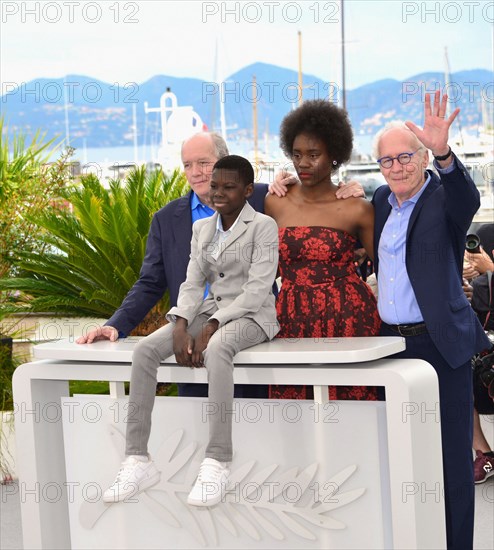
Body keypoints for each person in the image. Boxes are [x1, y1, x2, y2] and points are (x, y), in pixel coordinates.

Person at [76, 131, 363, 398]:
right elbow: (149, 283)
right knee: (197, 432)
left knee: (262, 435)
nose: (197, 172)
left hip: (253, 348)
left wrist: (349, 191)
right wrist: (115, 325)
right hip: (190, 349)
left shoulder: (264, 199)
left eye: (204, 162)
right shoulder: (166, 220)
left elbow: (317, 209)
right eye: (188, 164)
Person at [102, 155, 279, 506]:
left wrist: (212, 326)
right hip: (208, 308)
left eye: (229, 187)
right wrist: (181, 323)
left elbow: (258, 290)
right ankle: (137, 459)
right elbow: (192, 281)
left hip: (253, 315)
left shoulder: (263, 226)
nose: (218, 192)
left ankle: (217, 460)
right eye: (214, 186)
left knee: (218, 349)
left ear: (247, 190)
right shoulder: (203, 229)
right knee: (145, 351)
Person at [372, 91, 491, 550]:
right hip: (390, 347)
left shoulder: (444, 198)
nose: (397, 167)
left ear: (422, 156)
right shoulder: (382, 200)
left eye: (406, 156)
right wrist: (277, 182)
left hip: (439, 345)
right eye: (387, 161)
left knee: (451, 460)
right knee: (402, 454)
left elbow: (468, 195)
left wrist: (444, 152)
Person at [265, 99, 381, 400]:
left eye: (314, 155)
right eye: (297, 154)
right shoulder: (274, 201)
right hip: (291, 319)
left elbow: (389, 269)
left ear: (335, 157)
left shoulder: (358, 208)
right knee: (292, 412)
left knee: (354, 410)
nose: (303, 163)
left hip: (348, 318)